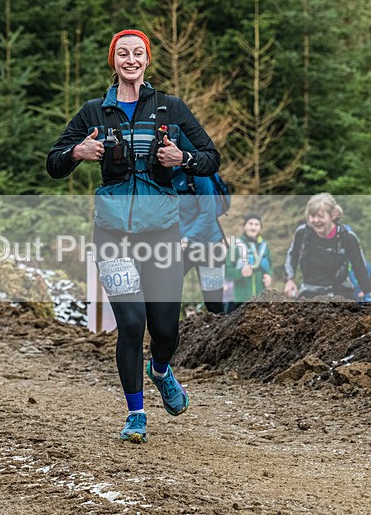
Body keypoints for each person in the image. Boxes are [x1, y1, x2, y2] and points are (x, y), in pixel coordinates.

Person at [47, 29, 219, 443]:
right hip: (113, 234)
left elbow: (211, 157)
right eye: (122, 53)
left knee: (165, 330)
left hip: (161, 231)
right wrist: (77, 153)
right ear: (114, 61)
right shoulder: (94, 112)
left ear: (146, 60)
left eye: (137, 53)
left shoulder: (170, 108)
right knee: (130, 323)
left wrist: (184, 159)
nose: (130, 59)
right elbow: (53, 163)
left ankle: (160, 371)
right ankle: (136, 414)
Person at [283, 193, 371, 300]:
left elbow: (360, 268)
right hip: (309, 290)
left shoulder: (347, 237)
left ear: (333, 215)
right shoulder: (302, 233)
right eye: (312, 216)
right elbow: (292, 255)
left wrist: (368, 293)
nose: (316, 221)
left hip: (339, 291)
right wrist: (290, 279)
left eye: (320, 216)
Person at [172, 170, 226, 314]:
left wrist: (188, 238)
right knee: (164, 289)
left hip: (209, 245)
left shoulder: (197, 175)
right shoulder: (161, 175)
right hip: (181, 245)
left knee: (214, 303)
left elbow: (208, 213)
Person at [225, 212, 272, 312]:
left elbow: (269, 266)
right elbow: (226, 271)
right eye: (250, 224)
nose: (253, 227)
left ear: (260, 228)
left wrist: (269, 276)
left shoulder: (264, 246)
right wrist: (240, 273)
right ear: (244, 226)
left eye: (256, 224)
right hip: (241, 299)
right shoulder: (236, 246)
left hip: (261, 298)